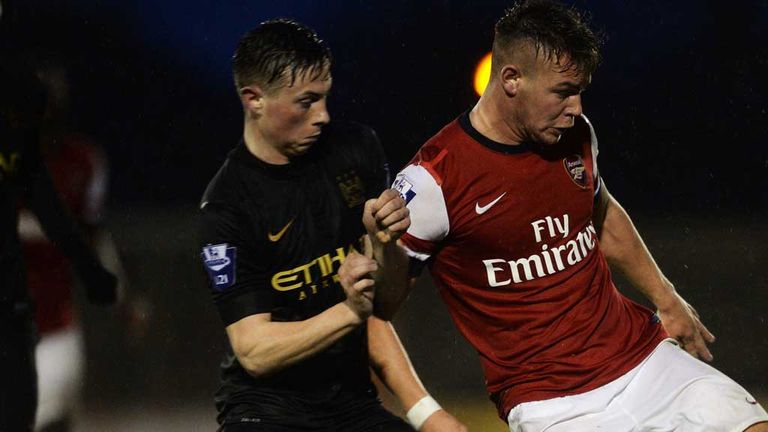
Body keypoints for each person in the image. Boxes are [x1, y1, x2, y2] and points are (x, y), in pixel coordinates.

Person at [375, 1, 768, 431]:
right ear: (511, 79)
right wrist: (425, 413)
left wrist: (666, 297)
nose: (576, 107)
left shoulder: (574, 136)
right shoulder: (433, 180)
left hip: (644, 358)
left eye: (580, 90)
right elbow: (378, 309)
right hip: (551, 403)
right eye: (563, 91)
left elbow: (599, 212)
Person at [198, 19, 465, 432]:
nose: (322, 115)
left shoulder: (354, 152)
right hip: (263, 410)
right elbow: (254, 351)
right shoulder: (227, 207)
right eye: (305, 102)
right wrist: (348, 312)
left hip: (352, 405)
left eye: (325, 98)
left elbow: (382, 308)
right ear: (254, 100)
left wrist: (385, 243)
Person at [0, 3, 117, 430]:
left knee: (50, 418)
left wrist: (121, 294)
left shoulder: (82, 161)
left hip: (54, 325)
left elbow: (92, 236)